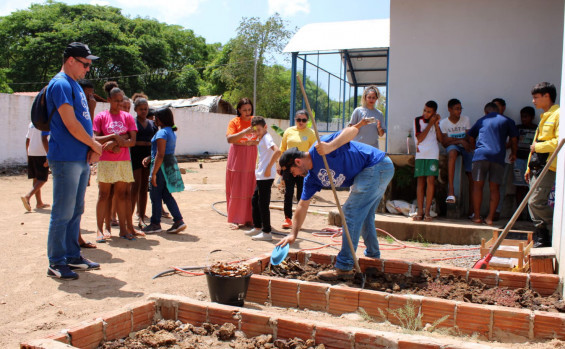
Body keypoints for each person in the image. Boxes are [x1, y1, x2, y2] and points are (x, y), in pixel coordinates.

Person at [276, 119, 394, 280]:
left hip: (377, 165)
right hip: (375, 170)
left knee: (350, 212)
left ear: (297, 161)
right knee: (364, 216)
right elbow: (302, 206)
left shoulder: (320, 147)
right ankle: (373, 260)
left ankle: (344, 267)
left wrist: (331, 146)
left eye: (292, 171)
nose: (293, 175)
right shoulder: (311, 179)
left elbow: (352, 131)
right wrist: (293, 234)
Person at [45, 42, 102, 279]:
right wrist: (94, 144)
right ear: (71, 60)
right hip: (66, 157)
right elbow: (70, 123)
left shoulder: (76, 86)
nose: (88, 69)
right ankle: (56, 261)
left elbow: (81, 121)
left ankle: (71, 255)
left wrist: (89, 147)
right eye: (85, 64)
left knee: (76, 209)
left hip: (79, 157)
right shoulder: (60, 84)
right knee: (62, 211)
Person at [93, 82, 139, 241]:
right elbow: (95, 138)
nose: (119, 104)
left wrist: (116, 143)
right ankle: (100, 229)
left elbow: (132, 141)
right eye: (116, 100)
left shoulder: (127, 117)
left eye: (121, 101)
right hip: (106, 161)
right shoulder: (101, 117)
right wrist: (114, 137)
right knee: (104, 195)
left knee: (122, 195)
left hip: (123, 161)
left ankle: (123, 230)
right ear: (108, 100)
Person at [467, 102, 518, 226]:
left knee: (477, 187)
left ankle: (477, 217)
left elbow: (471, 136)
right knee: (495, 189)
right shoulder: (507, 120)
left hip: (480, 156)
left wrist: (474, 147)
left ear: (486, 112)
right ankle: (489, 218)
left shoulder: (482, 120)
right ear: (498, 110)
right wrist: (514, 153)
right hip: (498, 157)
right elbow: (514, 138)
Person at [142, 108, 187, 234]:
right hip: (169, 165)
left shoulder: (162, 133)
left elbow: (160, 154)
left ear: (160, 119)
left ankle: (155, 223)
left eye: (156, 118)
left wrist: (154, 173)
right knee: (167, 195)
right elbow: (163, 152)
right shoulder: (171, 132)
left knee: (155, 195)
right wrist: (149, 158)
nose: (154, 120)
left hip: (161, 167)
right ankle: (178, 220)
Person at [526, 82, 560, 247]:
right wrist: (528, 168)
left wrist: (538, 147)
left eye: (536, 97)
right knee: (531, 203)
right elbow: (535, 144)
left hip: (549, 167)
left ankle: (553, 228)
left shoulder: (559, 114)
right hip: (536, 167)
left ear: (547, 96)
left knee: (535, 201)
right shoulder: (544, 116)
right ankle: (542, 237)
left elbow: (559, 142)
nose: (533, 101)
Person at [245, 116, 281, 241]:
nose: (257, 133)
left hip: (266, 176)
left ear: (265, 127)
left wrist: (268, 167)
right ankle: (258, 227)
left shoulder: (267, 138)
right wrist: (254, 142)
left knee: (263, 203)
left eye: (259, 130)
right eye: (255, 130)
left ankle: (267, 232)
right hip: (261, 175)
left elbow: (278, 151)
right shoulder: (262, 138)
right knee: (255, 200)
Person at [277, 110, 316, 229]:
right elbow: (282, 148)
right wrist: (280, 164)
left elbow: (314, 152)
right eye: (298, 119)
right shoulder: (289, 131)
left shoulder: (311, 133)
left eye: (304, 120)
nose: (301, 122)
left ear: (307, 121)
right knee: (288, 193)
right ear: (295, 120)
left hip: (303, 169)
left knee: (301, 194)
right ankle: (287, 218)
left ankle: (298, 219)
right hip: (289, 167)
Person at [225, 98, 259, 230]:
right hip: (237, 157)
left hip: (251, 156)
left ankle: (249, 218)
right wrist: (245, 132)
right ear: (238, 110)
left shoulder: (256, 121)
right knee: (236, 186)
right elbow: (230, 139)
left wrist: (252, 143)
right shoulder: (234, 122)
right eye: (244, 110)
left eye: (249, 109)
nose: (247, 112)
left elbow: (263, 137)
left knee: (250, 186)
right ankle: (235, 218)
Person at [439, 99, 473, 211]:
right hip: (454, 147)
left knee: (471, 173)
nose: (459, 111)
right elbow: (444, 142)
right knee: (452, 152)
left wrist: (455, 140)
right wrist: (460, 141)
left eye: (460, 108)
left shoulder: (466, 119)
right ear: (450, 109)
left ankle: (472, 208)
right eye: (456, 109)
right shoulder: (444, 123)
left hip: (465, 147)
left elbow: (468, 137)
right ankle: (451, 191)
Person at [413, 101, 443, 222]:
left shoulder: (436, 122)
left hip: (433, 153)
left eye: (429, 111)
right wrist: (430, 124)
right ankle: (420, 211)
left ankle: (427, 212)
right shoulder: (417, 120)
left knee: (430, 181)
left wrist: (436, 125)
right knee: (420, 181)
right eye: (425, 110)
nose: (425, 113)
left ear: (434, 113)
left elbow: (440, 140)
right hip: (420, 154)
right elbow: (419, 138)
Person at [130, 95, 157, 228]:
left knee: (144, 188)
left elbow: (156, 141)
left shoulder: (152, 124)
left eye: (145, 109)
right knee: (134, 187)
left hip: (148, 156)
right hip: (135, 156)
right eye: (141, 109)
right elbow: (131, 140)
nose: (144, 111)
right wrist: (143, 142)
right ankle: (128, 218)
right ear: (135, 109)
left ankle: (141, 216)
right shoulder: (132, 122)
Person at [513, 106, 537, 220]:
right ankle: (519, 213)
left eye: (526, 117)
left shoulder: (536, 129)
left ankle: (529, 214)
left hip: (531, 161)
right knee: (519, 187)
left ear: (532, 117)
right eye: (522, 117)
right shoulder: (518, 128)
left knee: (530, 187)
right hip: (518, 159)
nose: (524, 119)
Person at [21, 122, 50, 211]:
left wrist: (28, 154)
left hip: (32, 152)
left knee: (36, 178)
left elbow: (27, 140)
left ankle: (39, 203)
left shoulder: (31, 123)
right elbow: (45, 139)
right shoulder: (46, 123)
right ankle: (28, 196)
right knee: (42, 179)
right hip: (42, 153)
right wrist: (49, 156)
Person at [348, 85, 386, 149]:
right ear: (365, 98)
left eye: (373, 98)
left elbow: (381, 134)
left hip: (373, 148)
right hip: (358, 147)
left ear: (376, 98)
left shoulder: (379, 114)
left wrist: (379, 128)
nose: (371, 99)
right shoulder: (358, 110)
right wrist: (361, 124)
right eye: (369, 97)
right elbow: (350, 129)